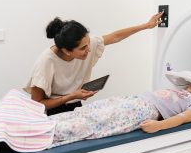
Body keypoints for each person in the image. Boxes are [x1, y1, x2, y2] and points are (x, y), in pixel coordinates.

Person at [24, 13, 163, 115]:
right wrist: (71, 96)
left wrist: (146, 25)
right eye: (83, 48)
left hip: (76, 106)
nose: (89, 49)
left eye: (88, 43)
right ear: (66, 51)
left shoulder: (87, 44)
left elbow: (115, 37)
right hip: (51, 112)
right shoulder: (46, 62)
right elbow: (37, 104)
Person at [48, 81, 191, 147]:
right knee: (88, 110)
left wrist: (159, 125)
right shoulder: (179, 88)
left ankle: (45, 132)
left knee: (97, 121)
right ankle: (41, 122)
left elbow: (182, 118)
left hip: (145, 111)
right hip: (134, 99)